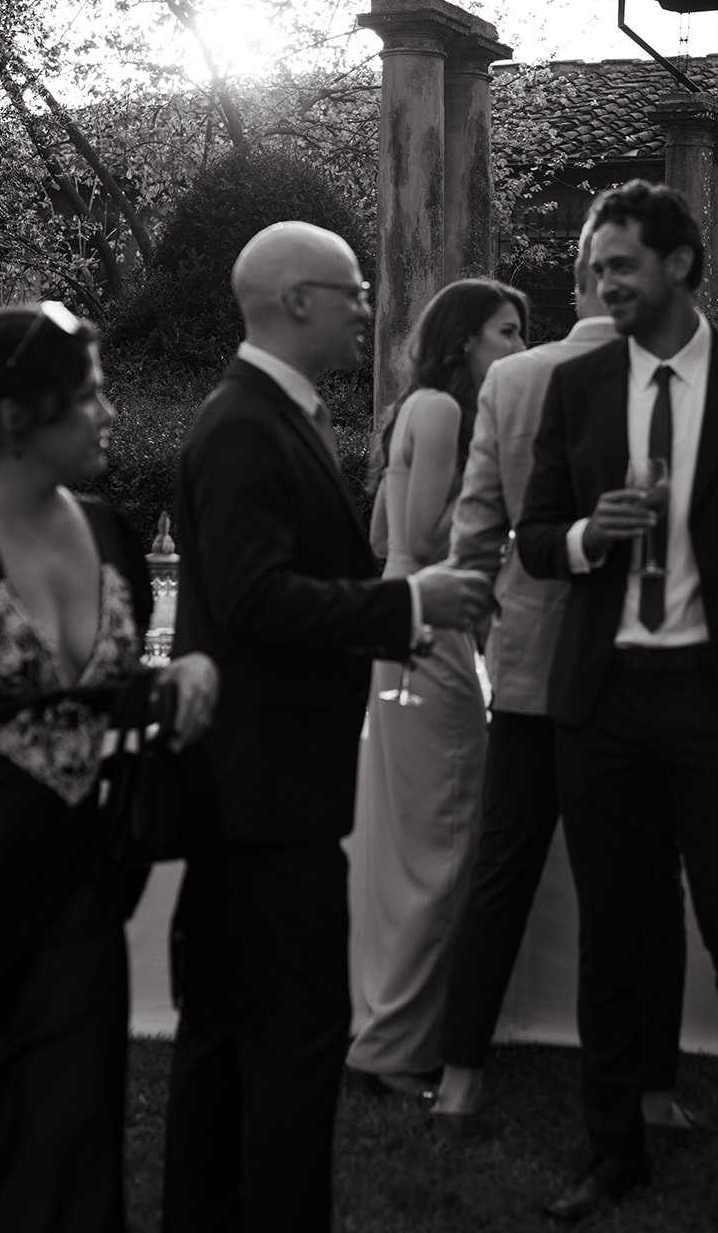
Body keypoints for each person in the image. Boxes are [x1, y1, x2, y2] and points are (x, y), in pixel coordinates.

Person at [161, 224, 491, 1233]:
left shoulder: (271, 414)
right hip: (266, 793)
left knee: (223, 1028)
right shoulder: (243, 427)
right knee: (294, 1038)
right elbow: (255, 599)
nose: (365, 305)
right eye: (350, 290)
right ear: (296, 301)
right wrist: (407, 604)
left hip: (256, 786)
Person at [517, 181, 718, 1233]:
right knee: (614, 934)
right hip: (600, 698)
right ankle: (611, 1154)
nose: (602, 283)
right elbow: (532, 535)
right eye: (595, 267)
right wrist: (583, 538)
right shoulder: (576, 385)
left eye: (620, 265)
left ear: (682, 264)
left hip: (716, 698)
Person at [431, 218, 693, 1141]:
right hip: (643, 667)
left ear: (571, 285)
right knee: (645, 885)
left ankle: (460, 1074)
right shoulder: (672, 379)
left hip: (532, 661)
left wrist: (484, 619)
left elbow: (474, 528)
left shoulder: (509, 377)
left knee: (502, 868)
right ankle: (652, 1089)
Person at [0, 302, 217, 1233]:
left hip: (81, 891)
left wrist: (178, 673)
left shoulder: (114, 531)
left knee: (72, 1135)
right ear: (12, 418)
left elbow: (106, 690)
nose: (110, 412)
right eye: (87, 397)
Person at [346, 277, 528, 1094]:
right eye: (507, 332)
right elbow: (423, 536)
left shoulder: (410, 408)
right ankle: (398, 1048)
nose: (519, 349)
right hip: (431, 629)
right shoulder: (451, 412)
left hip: (398, 626)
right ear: (464, 342)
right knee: (446, 842)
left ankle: (384, 1026)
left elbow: (385, 535)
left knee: (404, 842)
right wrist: (507, 517)